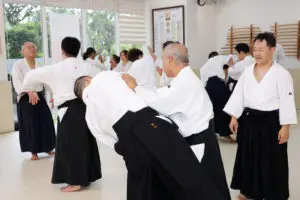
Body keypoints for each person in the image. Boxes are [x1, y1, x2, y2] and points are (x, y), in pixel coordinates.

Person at [74, 71, 230, 200]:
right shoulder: (103, 77)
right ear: (88, 80)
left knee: (143, 185)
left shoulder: (89, 116)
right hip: (149, 123)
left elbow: (109, 141)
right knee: (184, 172)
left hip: (126, 139)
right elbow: (130, 82)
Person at [123, 42, 231, 200]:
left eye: (163, 59)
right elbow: (164, 95)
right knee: (204, 185)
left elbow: (161, 102)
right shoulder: (184, 78)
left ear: (170, 60)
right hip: (198, 139)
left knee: (203, 188)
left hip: (198, 142)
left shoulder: (185, 82)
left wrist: (136, 87)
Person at [21, 37, 102, 192]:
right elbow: (103, 77)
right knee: (85, 142)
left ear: (62, 51)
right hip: (85, 107)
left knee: (70, 145)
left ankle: (75, 181)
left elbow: (30, 76)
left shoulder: (55, 68)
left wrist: (29, 88)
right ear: (78, 50)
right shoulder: (87, 67)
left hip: (69, 111)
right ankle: (87, 176)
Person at [224, 32, 298, 200]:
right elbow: (239, 94)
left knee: (272, 160)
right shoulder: (248, 70)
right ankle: (248, 191)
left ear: (272, 50)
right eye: (254, 49)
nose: (256, 53)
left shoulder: (281, 73)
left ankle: (274, 193)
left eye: (261, 49)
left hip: (271, 122)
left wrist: (285, 127)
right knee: (248, 157)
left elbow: (287, 100)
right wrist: (234, 116)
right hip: (249, 121)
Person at [11, 42, 56, 161]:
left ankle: (48, 147)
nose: (33, 49)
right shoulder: (18, 65)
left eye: (34, 47)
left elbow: (46, 82)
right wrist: (29, 91)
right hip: (26, 97)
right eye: (29, 47)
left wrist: (53, 94)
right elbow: (17, 82)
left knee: (46, 121)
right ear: (23, 51)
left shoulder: (39, 65)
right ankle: (34, 151)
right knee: (31, 123)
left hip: (40, 96)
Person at [200, 55, 234, 142]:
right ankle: (226, 134)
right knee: (224, 109)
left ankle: (214, 132)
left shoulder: (204, 66)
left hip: (208, 87)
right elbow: (230, 58)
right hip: (218, 86)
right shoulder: (219, 59)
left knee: (212, 110)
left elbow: (203, 82)